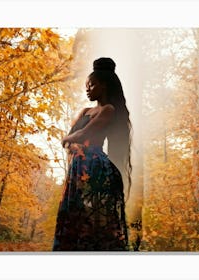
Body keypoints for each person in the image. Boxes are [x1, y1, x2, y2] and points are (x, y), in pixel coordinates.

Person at [52, 57, 132, 251]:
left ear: (103, 86)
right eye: (86, 86)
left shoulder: (108, 110)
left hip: (95, 167)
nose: (87, 89)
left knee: (93, 215)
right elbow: (71, 136)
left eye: (92, 85)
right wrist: (70, 140)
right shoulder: (86, 110)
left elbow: (82, 134)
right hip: (78, 166)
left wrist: (71, 140)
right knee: (76, 211)